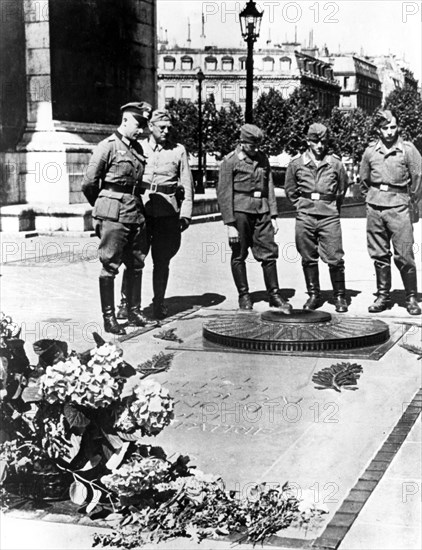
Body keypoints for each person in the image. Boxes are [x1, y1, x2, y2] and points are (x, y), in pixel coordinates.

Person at [117, 109, 194, 320]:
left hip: (168, 213)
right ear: (151, 127)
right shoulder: (138, 147)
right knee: (134, 259)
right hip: (141, 211)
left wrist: (185, 214)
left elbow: (187, 185)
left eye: (169, 128)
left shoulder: (178, 151)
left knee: (162, 260)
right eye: (162, 127)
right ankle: (127, 303)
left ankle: (159, 302)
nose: (167, 131)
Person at [82, 101, 152, 335]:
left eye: (144, 125)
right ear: (125, 121)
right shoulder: (107, 146)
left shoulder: (137, 150)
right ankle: (109, 318)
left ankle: (132, 310)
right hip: (114, 214)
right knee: (110, 265)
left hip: (135, 211)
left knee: (136, 263)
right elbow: (89, 183)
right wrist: (104, 207)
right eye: (138, 124)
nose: (141, 130)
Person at [217, 123, 292, 313]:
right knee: (239, 254)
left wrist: (273, 215)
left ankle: (274, 295)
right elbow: (224, 194)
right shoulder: (230, 161)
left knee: (269, 253)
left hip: (262, 211)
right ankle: (244, 295)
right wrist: (230, 224)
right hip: (240, 212)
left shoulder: (262, 158)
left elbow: (270, 188)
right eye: (252, 146)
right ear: (242, 143)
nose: (256, 149)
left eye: (258, 145)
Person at [359, 109, 421, 315]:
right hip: (375, 207)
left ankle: (411, 297)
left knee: (404, 253)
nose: (389, 132)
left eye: (393, 127)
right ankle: (383, 296)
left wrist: (411, 204)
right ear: (378, 129)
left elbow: (418, 179)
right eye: (385, 128)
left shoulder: (408, 150)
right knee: (379, 254)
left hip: (399, 207)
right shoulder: (370, 151)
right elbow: (364, 180)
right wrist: (371, 200)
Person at [285, 123, 349, 313]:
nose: (319, 145)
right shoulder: (296, 164)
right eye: (315, 141)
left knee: (335, 257)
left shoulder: (335, 163)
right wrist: (301, 207)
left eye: (322, 141)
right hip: (305, 216)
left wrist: (331, 208)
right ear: (308, 141)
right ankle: (314, 294)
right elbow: (290, 189)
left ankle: (339, 296)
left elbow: (342, 189)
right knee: (308, 257)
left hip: (329, 216)